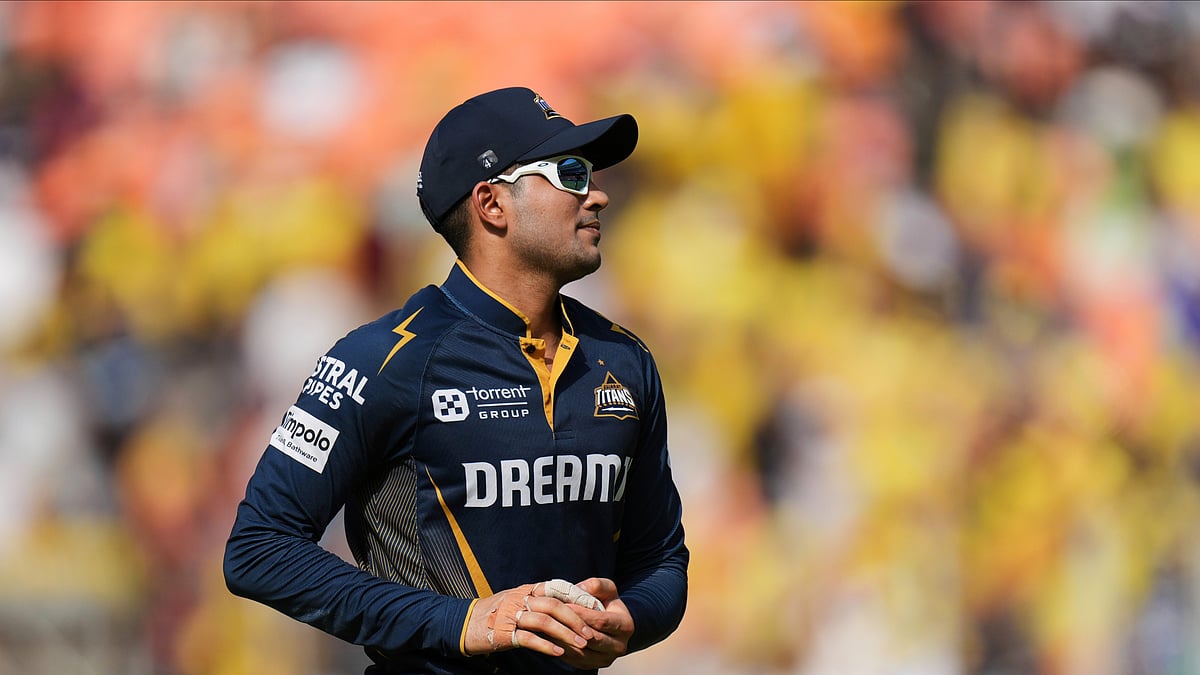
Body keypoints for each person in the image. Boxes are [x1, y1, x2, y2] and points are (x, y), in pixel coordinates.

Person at [224, 86, 689, 674]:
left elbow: (662, 560)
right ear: (491, 204)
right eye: (570, 173)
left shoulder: (624, 361)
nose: (596, 194)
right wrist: (461, 621)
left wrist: (633, 617)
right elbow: (259, 549)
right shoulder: (379, 360)